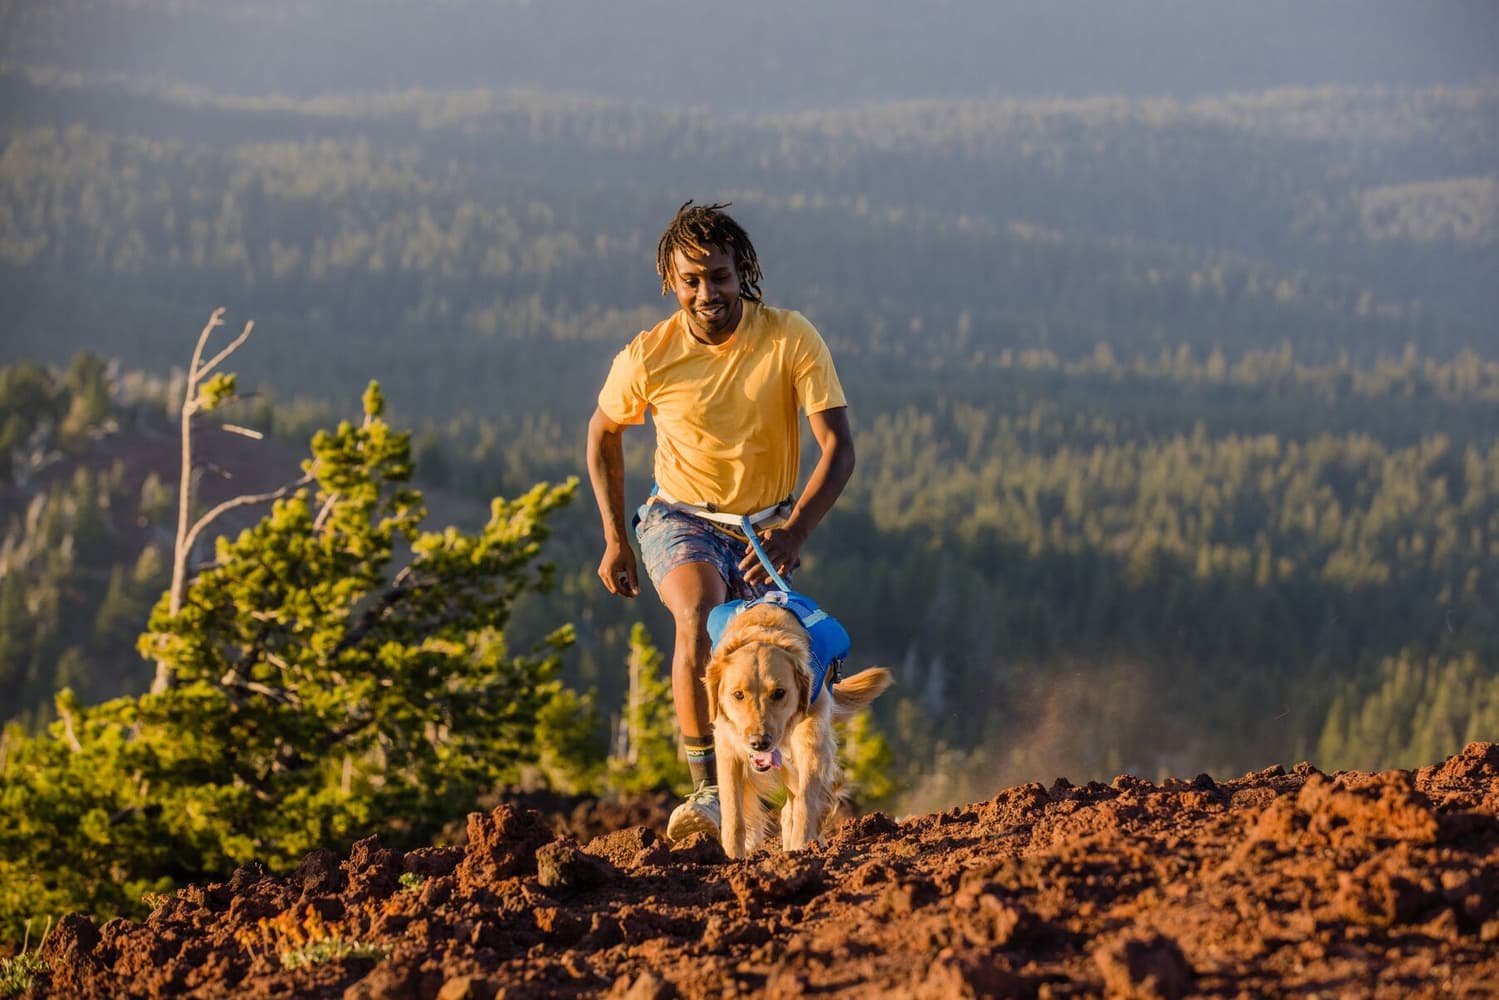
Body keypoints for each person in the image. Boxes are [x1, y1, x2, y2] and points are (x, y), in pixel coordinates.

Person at [586, 201, 855, 841]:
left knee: (781, 656)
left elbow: (839, 449)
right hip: (680, 515)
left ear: (743, 273)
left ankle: (801, 781)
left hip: (766, 527)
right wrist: (615, 537)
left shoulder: (790, 337)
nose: (708, 292)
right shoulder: (650, 355)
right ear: (670, 282)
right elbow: (602, 434)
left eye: (720, 276)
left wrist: (794, 533)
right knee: (700, 618)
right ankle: (710, 788)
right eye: (692, 280)